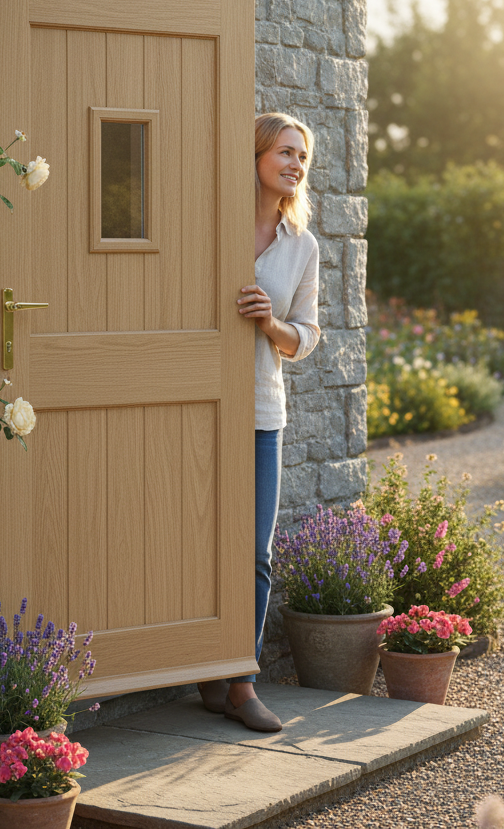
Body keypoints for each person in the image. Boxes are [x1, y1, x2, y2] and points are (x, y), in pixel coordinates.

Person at [197, 112, 321, 732]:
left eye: (303, 156)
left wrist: (270, 325)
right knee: (193, 537)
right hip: (193, 400)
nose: (296, 164)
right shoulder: (208, 221)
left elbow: (308, 333)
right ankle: (204, 668)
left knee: (254, 551)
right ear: (253, 154)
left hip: (259, 409)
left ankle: (241, 683)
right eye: (285, 152)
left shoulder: (302, 246)